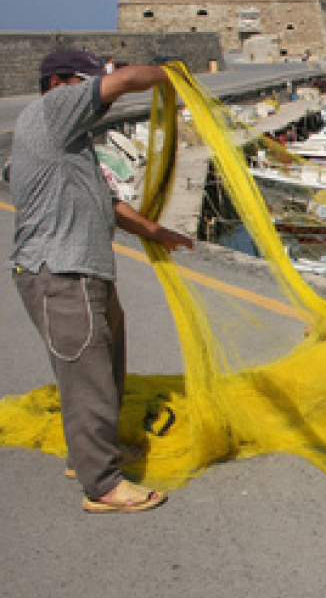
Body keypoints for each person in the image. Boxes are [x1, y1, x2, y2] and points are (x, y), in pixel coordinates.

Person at [8, 49, 194, 513]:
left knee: (103, 370)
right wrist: (170, 76)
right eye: (87, 83)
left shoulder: (69, 141)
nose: (99, 98)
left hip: (85, 271)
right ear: (58, 85)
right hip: (61, 272)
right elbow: (128, 80)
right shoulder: (51, 112)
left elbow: (107, 203)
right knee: (86, 375)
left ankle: (90, 455)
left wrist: (154, 231)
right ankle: (104, 486)